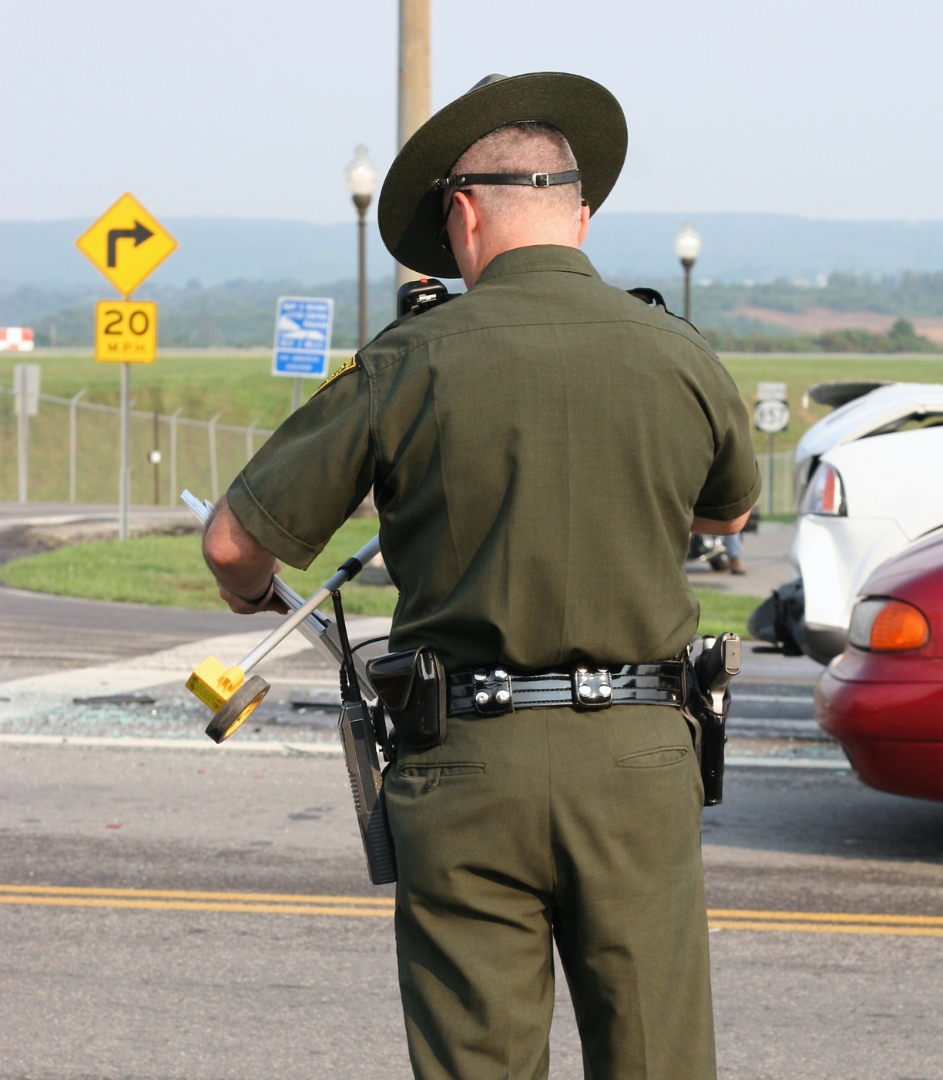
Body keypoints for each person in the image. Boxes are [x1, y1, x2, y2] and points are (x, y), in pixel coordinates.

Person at [202, 72, 759, 1080]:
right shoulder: (680, 354)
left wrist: (250, 595)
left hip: (466, 764)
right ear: (580, 215)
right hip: (639, 759)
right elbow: (729, 512)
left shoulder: (410, 359)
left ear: (461, 213)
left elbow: (235, 545)